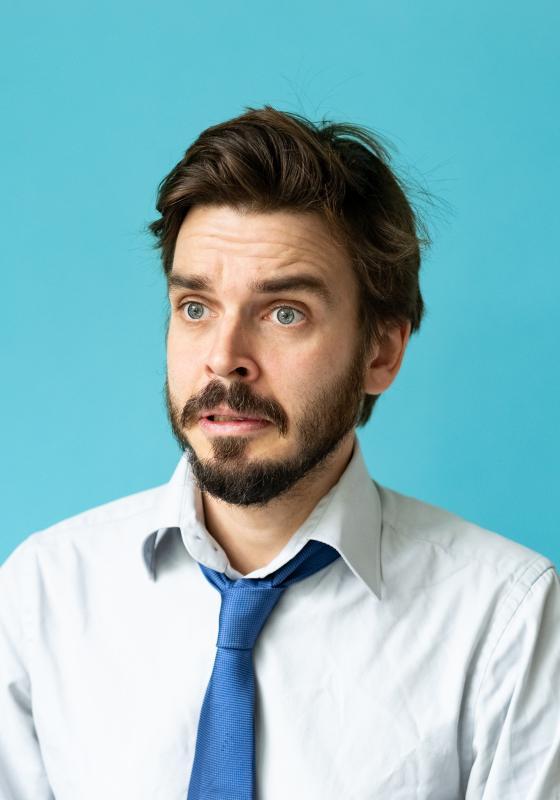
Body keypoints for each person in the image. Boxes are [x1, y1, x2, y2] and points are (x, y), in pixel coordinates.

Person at [1, 106, 558, 800]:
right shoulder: (41, 597)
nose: (224, 360)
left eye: (283, 312)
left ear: (380, 351)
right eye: (196, 307)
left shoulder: (504, 619)